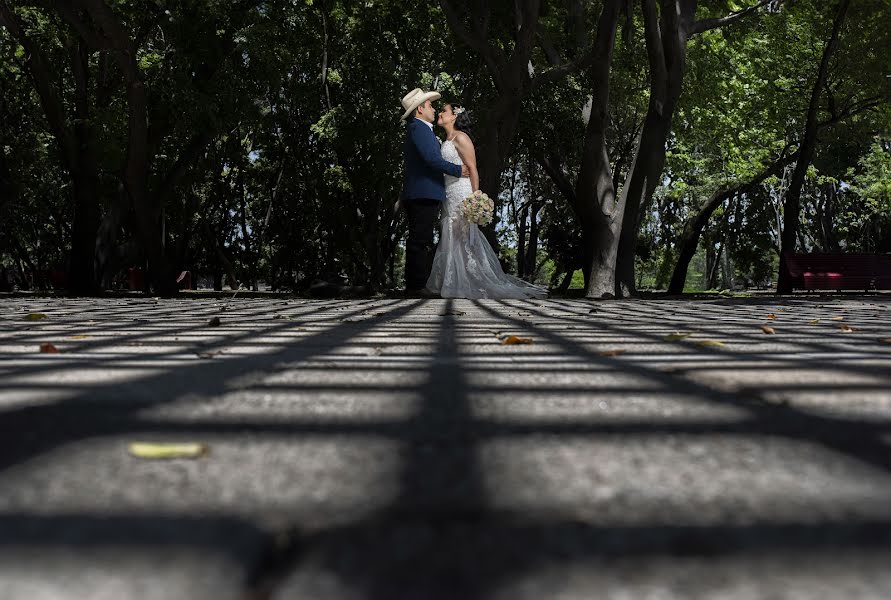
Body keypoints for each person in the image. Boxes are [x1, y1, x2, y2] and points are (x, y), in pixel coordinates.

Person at [425, 103, 547, 299]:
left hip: (462, 192)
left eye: (444, 111)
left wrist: (476, 199)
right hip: (449, 193)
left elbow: (473, 169)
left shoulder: (461, 137)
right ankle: (454, 281)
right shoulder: (444, 140)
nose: (440, 113)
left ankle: (470, 281)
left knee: (463, 236)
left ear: (454, 116)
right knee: (451, 235)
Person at [400, 88, 470, 297]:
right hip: (422, 192)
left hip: (426, 192)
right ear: (420, 109)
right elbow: (431, 159)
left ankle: (418, 284)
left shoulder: (423, 129)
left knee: (421, 239)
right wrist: (458, 170)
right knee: (419, 240)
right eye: (430, 105)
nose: (433, 108)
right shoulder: (418, 128)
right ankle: (415, 286)